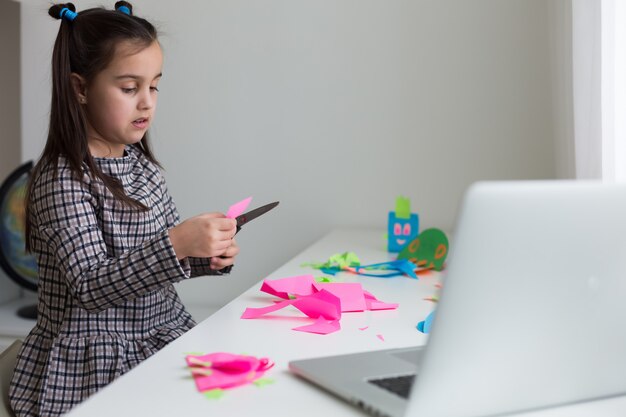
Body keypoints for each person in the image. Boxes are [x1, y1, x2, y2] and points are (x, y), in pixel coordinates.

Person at [9, 3, 240, 416]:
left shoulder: (143, 167)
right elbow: (91, 286)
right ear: (80, 88)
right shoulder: (62, 179)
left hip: (160, 334)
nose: (147, 103)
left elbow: (157, 263)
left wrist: (206, 256)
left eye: (154, 86)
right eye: (130, 88)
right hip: (93, 360)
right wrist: (178, 242)